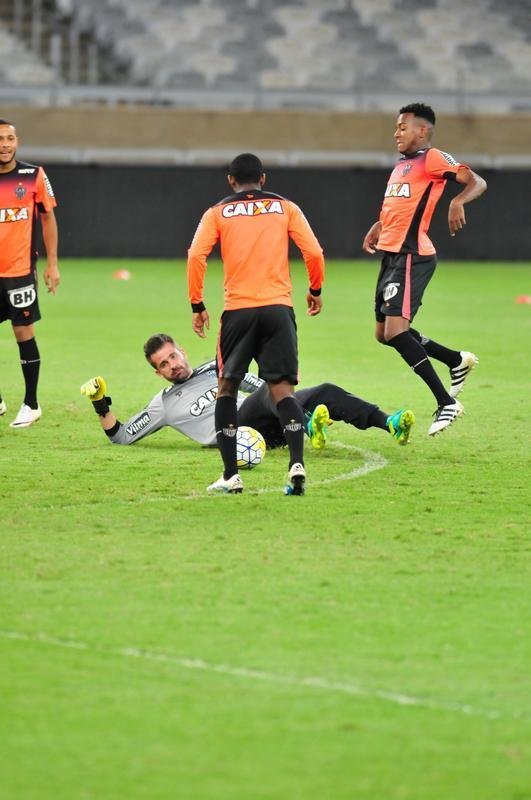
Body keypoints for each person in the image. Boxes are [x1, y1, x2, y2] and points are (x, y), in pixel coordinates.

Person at [187, 153, 325, 496]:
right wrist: (315, 289)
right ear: (263, 178)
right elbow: (314, 252)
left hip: (239, 312)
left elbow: (195, 256)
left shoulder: (216, 211)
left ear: (231, 181)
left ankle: (231, 474)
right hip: (278, 309)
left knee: (227, 388)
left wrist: (197, 303)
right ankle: (296, 464)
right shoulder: (286, 207)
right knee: (282, 391)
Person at [362, 102, 487, 436]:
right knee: (384, 335)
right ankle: (455, 360)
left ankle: (446, 402)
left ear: (422, 130)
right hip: (391, 255)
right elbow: (401, 203)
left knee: (396, 331)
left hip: (411, 255)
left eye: (402, 127)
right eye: (396, 127)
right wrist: (379, 224)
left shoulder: (432, 158)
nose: (396, 133)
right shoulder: (403, 164)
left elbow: (476, 181)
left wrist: (458, 200)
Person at [80, 333, 416, 456]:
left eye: (173, 356)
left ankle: (390, 423)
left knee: (324, 390)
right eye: (164, 364)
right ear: (158, 372)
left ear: (182, 351)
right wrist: (100, 402)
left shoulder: (215, 367)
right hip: (235, 433)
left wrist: (283, 395)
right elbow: (121, 437)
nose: (173, 365)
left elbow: (257, 387)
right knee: (270, 397)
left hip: (265, 419)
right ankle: (308, 424)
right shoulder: (164, 405)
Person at [0, 118, 60, 428]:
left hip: (19, 272)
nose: (5, 144)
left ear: (17, 142)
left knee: (23, 333)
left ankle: (31, 403)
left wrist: (52, 263)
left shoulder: (33, 175)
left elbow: (48, 219)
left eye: (10, 138)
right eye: (0, 139)